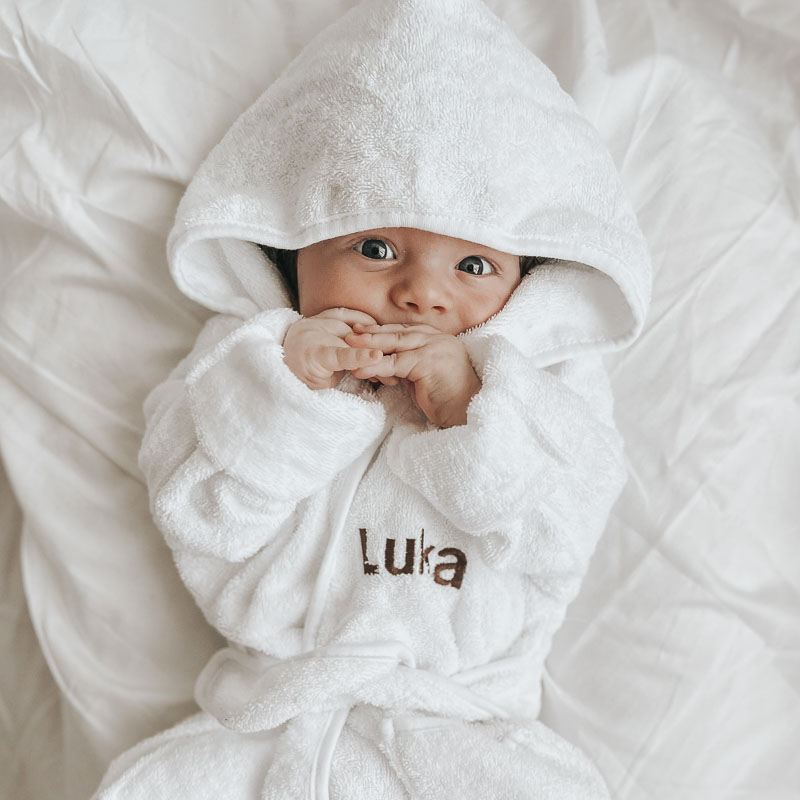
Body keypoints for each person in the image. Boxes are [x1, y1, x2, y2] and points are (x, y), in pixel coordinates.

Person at [93, 0, 651, 797]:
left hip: (468, 738)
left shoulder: (536, 386)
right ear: (296, 249)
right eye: (376, 247)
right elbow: (200, 515)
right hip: (273, 725)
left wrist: (471, 410)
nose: (421, 293)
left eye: (472, 267)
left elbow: (563, 531)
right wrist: (287, 390)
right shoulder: (248, 363)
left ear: (525, 280)